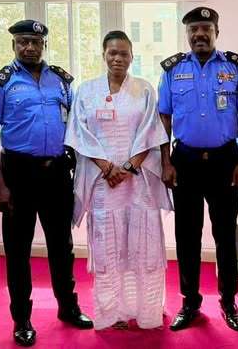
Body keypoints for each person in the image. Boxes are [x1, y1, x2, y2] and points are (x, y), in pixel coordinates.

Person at [0, 20, 92, 347]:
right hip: (18, 175)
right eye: (22, 41)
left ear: (44, 44)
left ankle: (68, 307)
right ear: (13, 45)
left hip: (56, 173)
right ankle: (22, 319)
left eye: (35, 42)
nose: (29, 47)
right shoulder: (0, 83)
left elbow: (75, 126)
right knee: (18, 251)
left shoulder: (61, 81)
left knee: (62, 247)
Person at [65, 31, 171, 330]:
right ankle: (112, 313)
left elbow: (152, 131)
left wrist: (127, 167)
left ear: (132, 56)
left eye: (124, 53)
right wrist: (106, 167)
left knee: (143, 245)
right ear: (103, 55)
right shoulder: (86, 91)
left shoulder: (144, 89)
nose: (117, 58)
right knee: (109, 248)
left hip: (138, 181)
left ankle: (147, 310)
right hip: (103, 182)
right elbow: (79, 133)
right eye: (112, 53)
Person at [158, 6, 238, 331]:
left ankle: (229, 301)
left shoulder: (235, 68)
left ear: (216, 32)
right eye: (194, 29)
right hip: (185, 162)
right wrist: (166, 162)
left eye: (206, 29)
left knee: (225, 235)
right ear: (187, 34)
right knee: (187, 236)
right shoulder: (172, 70)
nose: (200, 34)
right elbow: (164, 118)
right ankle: (190, 302)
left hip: (225, 162)